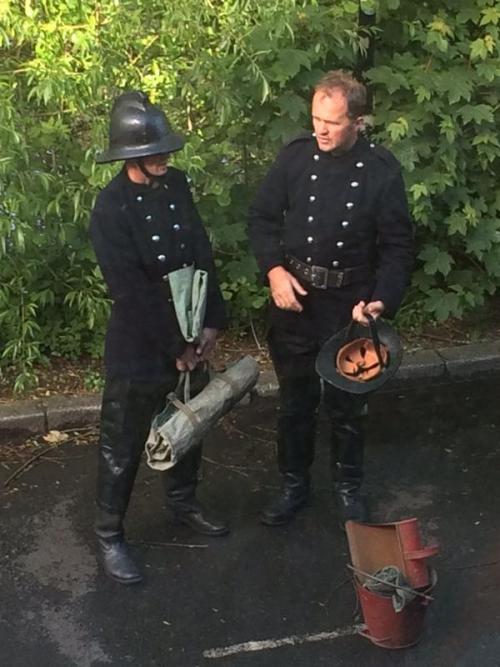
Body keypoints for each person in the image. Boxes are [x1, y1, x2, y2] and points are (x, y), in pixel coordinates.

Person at [248, 70, 413, 527]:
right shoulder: (296, 159)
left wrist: (381, 300)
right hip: (296, 302)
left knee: (347, 406)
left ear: (359, 122)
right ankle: (293, 485)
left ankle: (347, 488)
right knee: (295, 402)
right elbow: (261, 218)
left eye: (332, 122)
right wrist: (274, 271)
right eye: (316, 118)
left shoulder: (381, 171)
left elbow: (398, 246)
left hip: (350, 308)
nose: (320, 129)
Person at [90, 91, 228, 585]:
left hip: (190, 331)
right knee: (121, 443)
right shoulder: (109, 209)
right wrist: (178, 347)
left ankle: (182, 502)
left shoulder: (178, 185)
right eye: (155, 151)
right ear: (129, 155)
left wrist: (212, 320)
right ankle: (109, 534)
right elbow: (130, 292)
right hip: (140, 343)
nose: (166, 157)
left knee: (187, 426)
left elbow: (200, 251)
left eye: (166, 149)